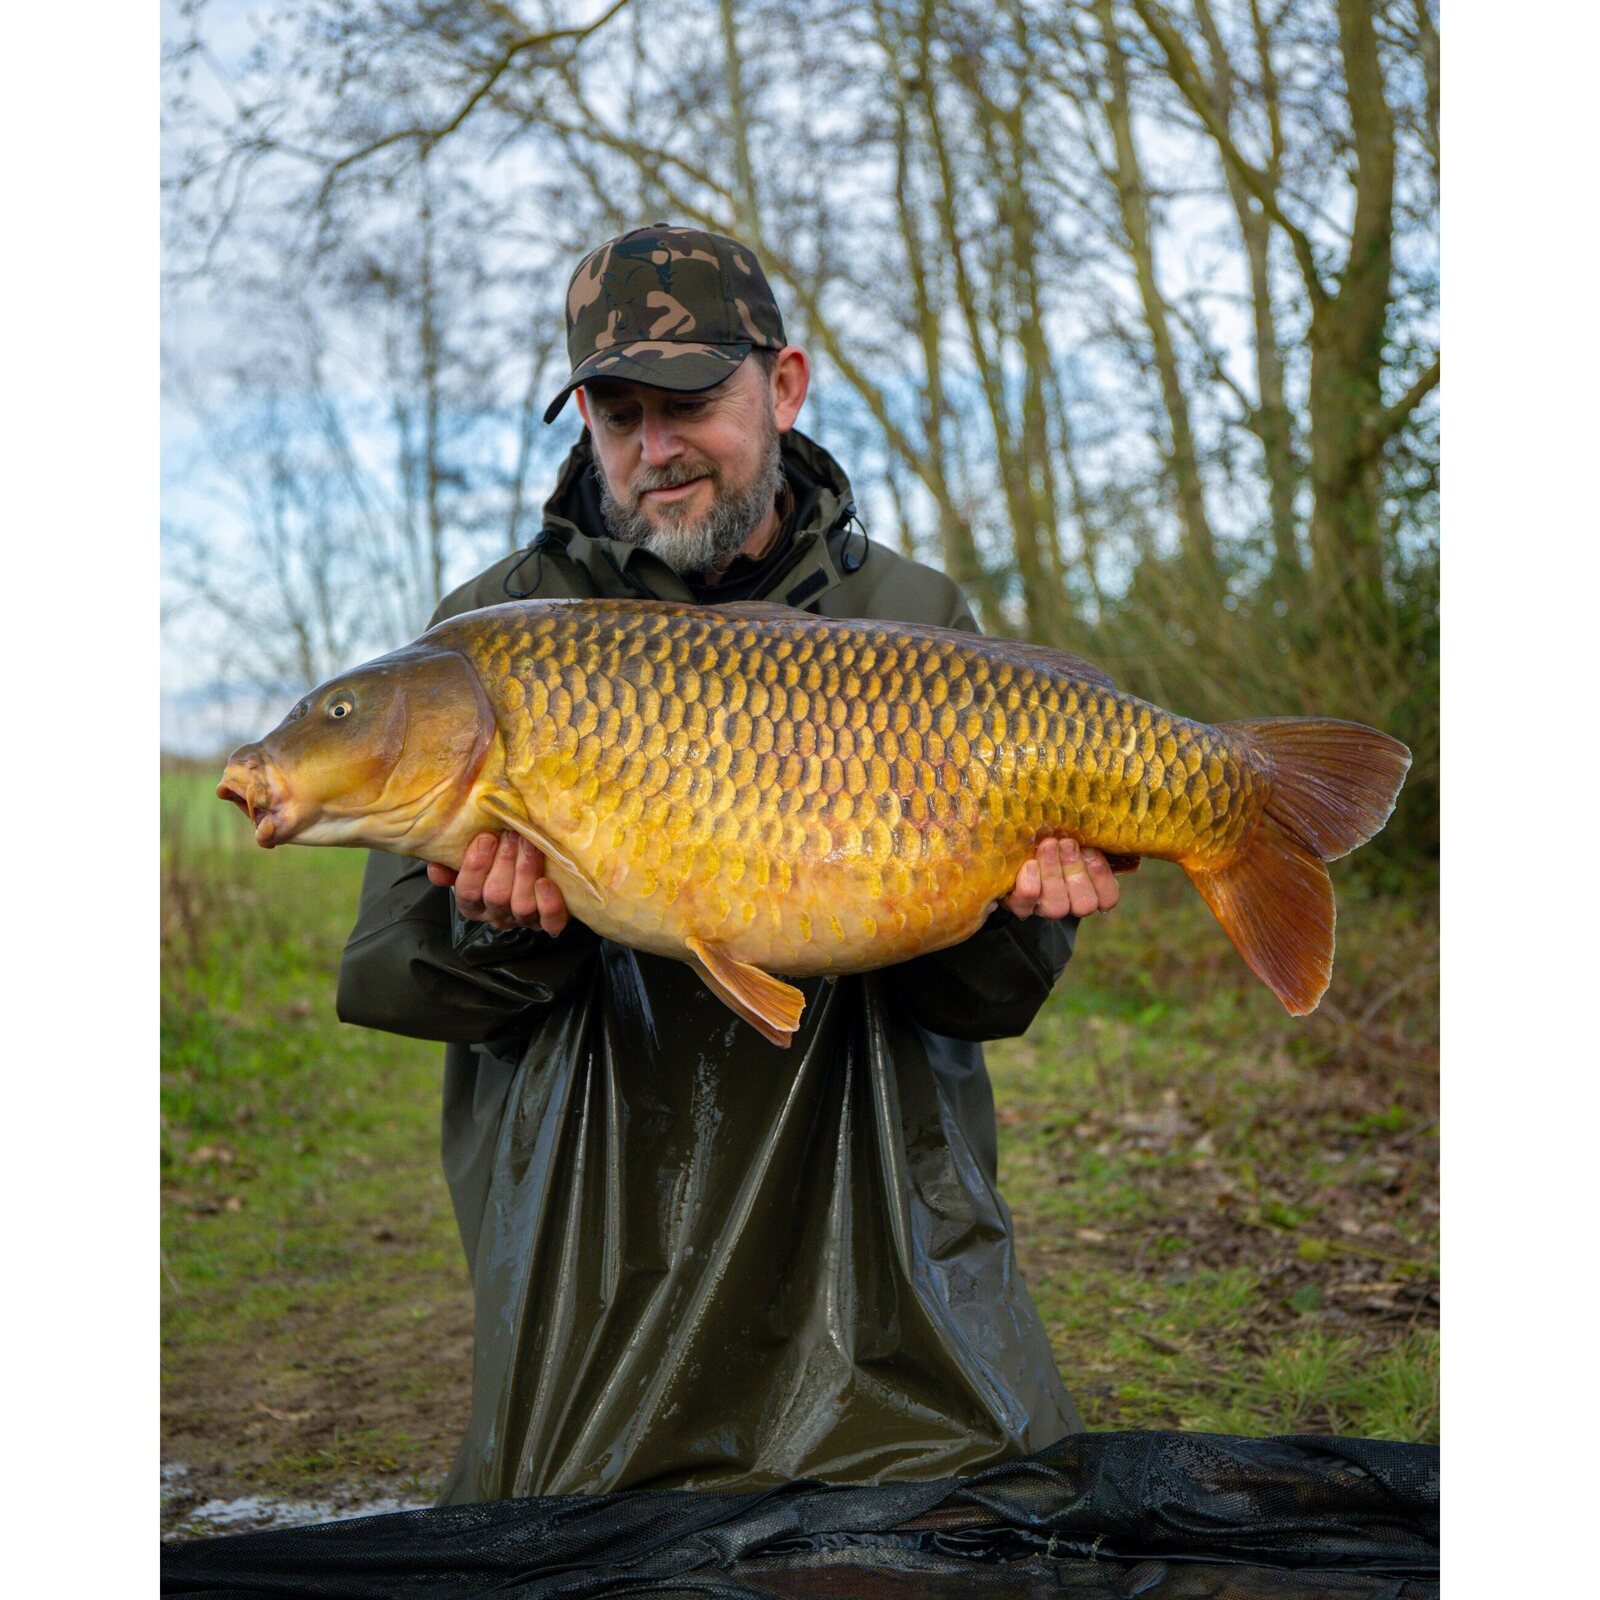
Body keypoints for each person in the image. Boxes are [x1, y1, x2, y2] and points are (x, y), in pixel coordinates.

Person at [337, 224, 1125, 1504]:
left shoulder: (914, 622)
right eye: (619, 415)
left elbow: (989, 1003)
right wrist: (504, 928)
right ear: (586, 423)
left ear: (784, 385)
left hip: (878, 1248)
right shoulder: (490, 639)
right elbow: (383, 974)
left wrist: (1012, 916)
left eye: (691, 402)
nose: (656, 448)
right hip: (599, 1251)